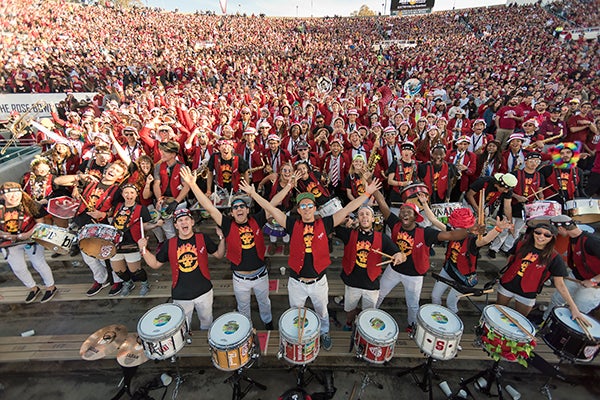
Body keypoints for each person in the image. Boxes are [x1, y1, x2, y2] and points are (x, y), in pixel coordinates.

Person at [240, 177, 382, 351]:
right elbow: (270, 208)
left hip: (318, 282)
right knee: (296, 313)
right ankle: (296, 336)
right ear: (298, 210)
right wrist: (253, 193)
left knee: (322, 312)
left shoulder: (326, 223)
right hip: (297, 282)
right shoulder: (291, 224)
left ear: (315, 209)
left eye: (310, 206)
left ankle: (324, 333)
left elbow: (348, 208)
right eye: (303, 206)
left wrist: (367, 193)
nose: (307, 209)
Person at [180, 166, 275, 330]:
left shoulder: (257, 220)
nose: (239, 208)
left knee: (265, 303)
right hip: (240, 279)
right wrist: (192, 185)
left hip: (260, 276)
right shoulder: (227, 224)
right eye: (235, 207)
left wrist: (282, 187)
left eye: (242, 206)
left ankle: (268, 324)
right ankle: (247, 330)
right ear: (231, 213)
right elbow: (209, 207)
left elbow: (273, 205)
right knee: (243, 308)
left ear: (247, 209)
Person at [372, 189, 468, 331]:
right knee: (378, 294)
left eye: (409, 212)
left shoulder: (426, 233)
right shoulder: (395, 224)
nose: (405, 213)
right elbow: (381, 202)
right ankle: (370, 316)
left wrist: (470, 230)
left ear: (416, 217)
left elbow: (451, 236)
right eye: (403, 210)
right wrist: (371, 185)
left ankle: (412, 325)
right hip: (394, 269)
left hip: (414, 275)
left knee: (412, 304)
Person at [137, 208, 225, 330]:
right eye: (180, 220)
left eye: (186, 219)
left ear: (192, 222)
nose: (184, 222)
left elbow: (219, 255)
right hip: (181, 294)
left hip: (204, 291)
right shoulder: (169, 243)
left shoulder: (203, 238)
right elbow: (156, 264)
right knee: (183, 326)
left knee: (207, 322)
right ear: (176, 225)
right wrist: (144, 249)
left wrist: (222, 238)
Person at [54, 160, 128, 295]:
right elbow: (58, 181)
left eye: (117, 171)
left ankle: (117, 280)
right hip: (83, 224)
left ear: (120, 176)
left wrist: (103, 213)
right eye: (112, 168)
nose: (113, 171)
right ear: (107, 169)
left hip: (102, 226)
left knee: (108, 254)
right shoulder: (90, 181)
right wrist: (79, 177)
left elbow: (118, 210)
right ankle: (101, 278)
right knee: (88, 256)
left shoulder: (118, 191)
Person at [426, 204, 513, 313]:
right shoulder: (452, 233)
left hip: (463, 276)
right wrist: (424, 203)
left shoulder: (472, 241)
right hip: (448, 270)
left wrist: (498, 229)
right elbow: (433, 220)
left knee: (451, 302)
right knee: (435, 296)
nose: (454, 230)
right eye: (454, 227)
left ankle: (453, 323)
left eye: (458, 228)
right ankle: (436, 314)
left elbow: (485, 240)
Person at [336, 205, 405, 330]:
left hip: (371, 282)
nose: (364, 216)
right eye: (361, 214)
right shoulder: (349, 234)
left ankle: (364, 329)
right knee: (350, 309)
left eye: (367, 214)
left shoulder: (382, 237)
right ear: (358, 219)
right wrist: (344, 221)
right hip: (352, 281)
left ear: (373, 219)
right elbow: (331, 225)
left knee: (368, 313)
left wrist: (399, 256)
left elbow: (399, 253)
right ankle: (349, 323)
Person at [496, 222, 584, 320]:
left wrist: (573, 307)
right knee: (497, 313)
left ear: (552, 238)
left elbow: (560, 284)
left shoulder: (554, 257)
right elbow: (511, 258)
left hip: (527, 293)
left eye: (547, 235)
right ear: (533, 233)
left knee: (518, 320)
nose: (541, 236)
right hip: (507, 285)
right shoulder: (521, 244)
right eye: (538, 232)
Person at [0, 182, 57, 303]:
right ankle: (32, 287)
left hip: (31, 238)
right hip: (9, 241)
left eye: (16, 193)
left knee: (39, 263)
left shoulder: (31, 204)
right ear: (2, 196)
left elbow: (40, 224)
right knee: (17, 267)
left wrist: (26, 234)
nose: (14, 196)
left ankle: (50, 286)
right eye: (9, 194)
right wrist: (5, 235)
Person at [542, 215, 600, 320]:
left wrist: (593, 281)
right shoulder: (573, 238)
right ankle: (545, 321)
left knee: (578, 310)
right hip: (576, 275)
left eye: (557, 232)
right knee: (557, 299)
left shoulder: (591, 241)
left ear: (560, 228)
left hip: (594, 285)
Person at [488, 152, 545, 257]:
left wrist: (541, 199)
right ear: (526, 161)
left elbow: (540, 191)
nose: (534, 163)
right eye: (531, 161)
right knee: (505, 228)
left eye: (537, 161)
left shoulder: (539, 176)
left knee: (517, 230)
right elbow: (507, 190)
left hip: (527, 208)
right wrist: (517, 197)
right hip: (512, 205)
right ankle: (494, 248)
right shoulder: (516, 174)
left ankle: (507, 248)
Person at [109, 184, 161, 297]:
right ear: (122, 194)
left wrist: (155, 225)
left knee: (135, 271)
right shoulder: (117, 206)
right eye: (126, 192)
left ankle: (145, 284)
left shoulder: (141, 209)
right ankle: (128, 283)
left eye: (132, 192)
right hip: (116, 243)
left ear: (136, 194)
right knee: (118, 271)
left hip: (132, 242)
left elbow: (145, 226)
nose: (129, 195)